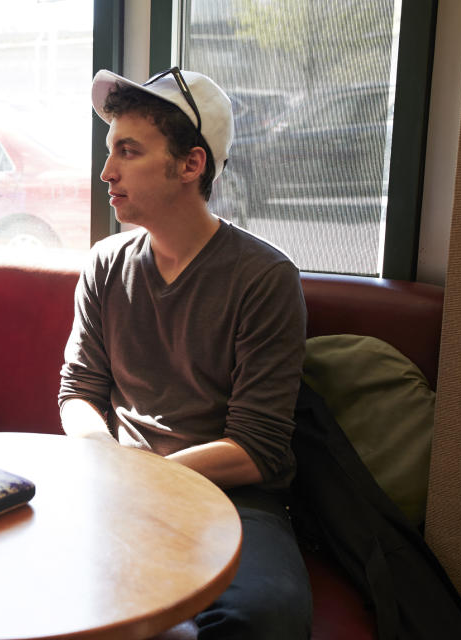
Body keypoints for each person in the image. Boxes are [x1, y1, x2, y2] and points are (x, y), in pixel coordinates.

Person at [58, 68, 312, 639]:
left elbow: (257, 448)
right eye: (109, 151)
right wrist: (107, 459)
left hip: (232, 497)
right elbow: (77, 392)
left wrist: (150, 480)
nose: (107, 172)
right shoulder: (105, 262)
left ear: (191, 165)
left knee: (262, 617)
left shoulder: (263, 277)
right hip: (116, 484)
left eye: (128, 151)